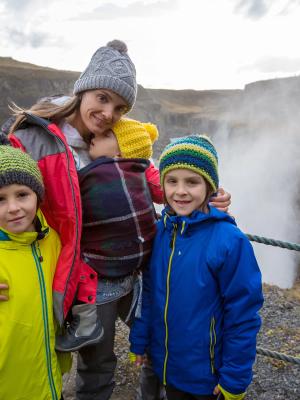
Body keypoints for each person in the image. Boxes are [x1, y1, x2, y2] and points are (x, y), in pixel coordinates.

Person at [5, 38, 231, 399]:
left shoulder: (121, 135)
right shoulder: (31, 140)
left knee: (158, 339)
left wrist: (207, 193)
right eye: (102, 98)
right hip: (85, 276)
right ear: (83, 89)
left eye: (120, 106)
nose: (109, 112)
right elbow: (6, 202)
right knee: (97, 361)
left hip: (138, 268)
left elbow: (156, 182)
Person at [129, 135, 264, 400]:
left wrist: (234, 378)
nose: (180, 191)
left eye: (192, 181)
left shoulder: (229, 240)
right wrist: (140, 341)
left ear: (210, 185)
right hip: (166, 365)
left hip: (205, 376)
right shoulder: (161, 232)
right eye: (172, 181)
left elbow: (243, 314)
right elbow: (148, 294)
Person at [55, 117, 160, 353]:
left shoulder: (91, 174)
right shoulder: (140, 172)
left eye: (105, 136)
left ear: (122, 152)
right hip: (138, 267)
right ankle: (155, 373)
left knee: (99, 355)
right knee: (147, 330)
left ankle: (86, 323)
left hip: (110, 273)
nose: (94, 137)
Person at [0, 145, 71, 400]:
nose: (13, 208)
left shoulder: (52, 239)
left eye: (22, 194)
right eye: (0, 199)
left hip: (49, 376)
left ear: (38, 195)